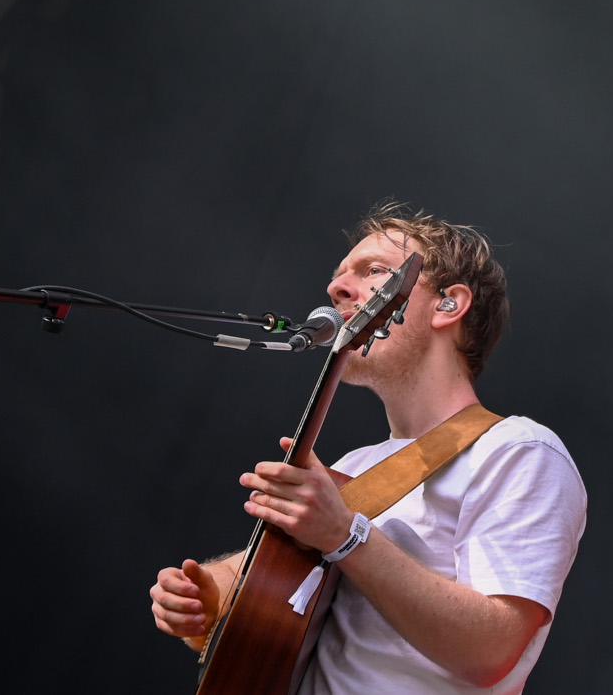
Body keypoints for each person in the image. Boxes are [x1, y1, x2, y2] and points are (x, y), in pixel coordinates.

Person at [148, 204, 588, 693]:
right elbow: (264, 591)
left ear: (449, 304)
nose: (336, 289)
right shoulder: (351, 468)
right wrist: (205, 597)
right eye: (338, 277)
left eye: (374, 271)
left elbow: (492, 652)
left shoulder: (519, 451)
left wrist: (345, 534)